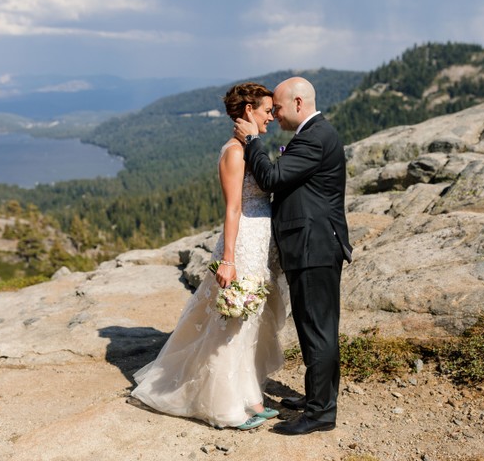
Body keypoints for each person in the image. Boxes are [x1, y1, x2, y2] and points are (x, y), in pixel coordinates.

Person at [131, 82, 288, 430]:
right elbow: (232, 209)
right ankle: (226, 407)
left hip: (261, 242)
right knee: (232, 324)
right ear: (248, 111)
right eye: (266, 111)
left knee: (251, 324)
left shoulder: (251, 147)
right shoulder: (234, 152)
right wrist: (228, 260)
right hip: (243, 241)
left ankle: (251, 398)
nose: (271, 118)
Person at [233, 76, 352, 435]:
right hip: (309, 246)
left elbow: (270, 178)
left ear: (299, 104)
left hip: (313, 247)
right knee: (313, 328)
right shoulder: (312, 135)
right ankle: (317, 397)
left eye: (280, 109)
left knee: (318, 331)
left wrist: (251, 140)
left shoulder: (315, 137)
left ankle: (320, 414)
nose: (277, 117)